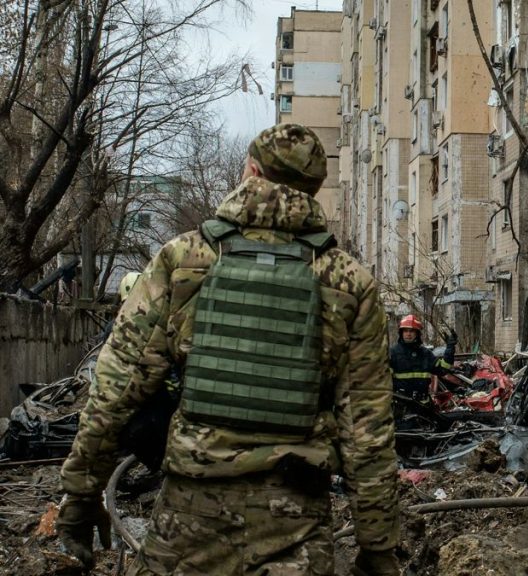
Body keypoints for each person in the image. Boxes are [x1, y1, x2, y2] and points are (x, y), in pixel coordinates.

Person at [55, 124, 399, 576]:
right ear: (314, 188)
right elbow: (367, 430)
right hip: (295, 524)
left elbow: (116, 390)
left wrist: (81, 496)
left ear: (251, 171)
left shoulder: (185, 259)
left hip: (189, 521)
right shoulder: (348, 281)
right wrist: (377, 548)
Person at [388, 315, 456, 403]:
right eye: (405, 331)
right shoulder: (392, 353)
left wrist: (450, 349)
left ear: (417, 333)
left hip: (423, 405)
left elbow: (443, 369)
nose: (408, 334)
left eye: (412, 331)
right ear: (401, 333)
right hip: (401, 406)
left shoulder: (425, 353)